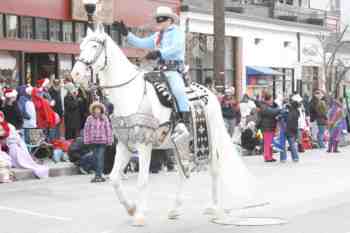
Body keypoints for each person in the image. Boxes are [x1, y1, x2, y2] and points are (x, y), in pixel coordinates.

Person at [119, 6, 190, 128]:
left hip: (173, 70)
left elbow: (176, 48)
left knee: (178, 90)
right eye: (158, 20)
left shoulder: (177, 32)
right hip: (159, 70)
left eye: (162, 19)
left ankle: (184, 122)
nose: (159, 22)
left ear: (170, 20)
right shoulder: (157, 35)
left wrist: (159, 53)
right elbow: (141, 43)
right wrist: (127, 34)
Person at [0, 111, 49, 178]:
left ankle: (31, 161)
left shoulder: (9, 126)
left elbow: (13, 137)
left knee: (19, 152)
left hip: (13, 145)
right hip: (10, 146)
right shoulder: (6, 126)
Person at [83, 102, 113, 183]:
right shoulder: (89, 118)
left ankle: (98, 175)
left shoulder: (104, 118)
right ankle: (98, 174)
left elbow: (108, 130)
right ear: (93, 110)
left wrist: (109, 140)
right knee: (95, 158)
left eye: (98, 109)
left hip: (102, 141)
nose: (97, 110)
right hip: (93, 141)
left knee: (100, 158)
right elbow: (86, 130)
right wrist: (86, 140)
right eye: (95, 109)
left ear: (101, 110)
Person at [256, 93, 281, 162]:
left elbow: (273, 110)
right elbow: (271, 112)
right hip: (266, 127)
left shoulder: (268, 105)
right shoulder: (264, 106)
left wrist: (276, 106)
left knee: (270, 143)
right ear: (268, 100)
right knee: (267, 143)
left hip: (270, 126)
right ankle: (267, 157)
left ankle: (270, 156)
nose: (272, 101)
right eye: (271, 100)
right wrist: (279, 109)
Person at [280, 96, 300, 162]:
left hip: (286, 128)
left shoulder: (288, 111)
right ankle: (295, 157)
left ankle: (283, 158)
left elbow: (283, 117)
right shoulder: (296, 112)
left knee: (283, 144)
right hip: (292, 129)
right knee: (292, 143)